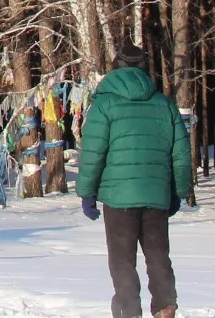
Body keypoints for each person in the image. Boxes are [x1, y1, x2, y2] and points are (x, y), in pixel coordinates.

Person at [77, 45, 192, 318]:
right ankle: (166, 306)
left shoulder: (104, 104)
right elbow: (181, 153)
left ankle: (129, 311)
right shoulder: (164, 104)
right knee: (158, 256)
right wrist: (178, 191)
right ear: (144, 68)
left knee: (122, 259)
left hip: (118, 197)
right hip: (156, 194)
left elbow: (93, 153)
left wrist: (87, 192)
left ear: (115, 67)